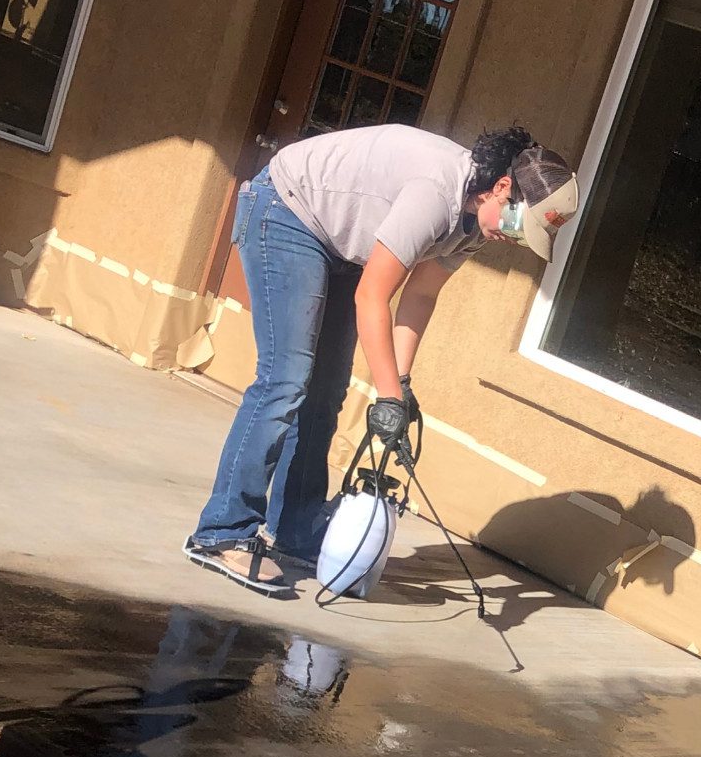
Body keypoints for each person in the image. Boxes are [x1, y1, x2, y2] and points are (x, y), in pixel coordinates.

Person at [184, 123, 579, 596]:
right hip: (287, 211)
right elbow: (374, 295)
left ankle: (294, 527)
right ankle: (222, 533)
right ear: (502, 188)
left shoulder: (475, 227)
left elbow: (420, 297)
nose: (516, 239)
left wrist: (402, 385)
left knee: (327, 390)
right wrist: (386, 394)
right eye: (520, 225)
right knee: (285, 380)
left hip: (343, 247)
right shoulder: (437, 195)